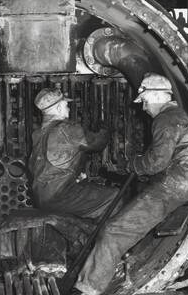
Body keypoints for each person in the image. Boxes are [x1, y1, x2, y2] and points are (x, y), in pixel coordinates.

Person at [72, 73, 188, 295]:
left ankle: (87, 291)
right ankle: (107, 274)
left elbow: (156, 162)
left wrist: (132, 164)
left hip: (170, 187)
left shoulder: (166, 119)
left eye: (145, 100)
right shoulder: (180, 116)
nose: (143, 107)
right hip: (179, 183)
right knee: (120, 225)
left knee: (113, 230)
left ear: (160, 96)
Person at [27, 87, 119, 220]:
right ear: (59, 109)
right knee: (115, 196)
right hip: (60, 195)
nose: (69, 109)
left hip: (40, 196)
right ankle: (102, 239)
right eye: (66, 105)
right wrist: (104, 129)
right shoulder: (67, 128)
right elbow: (98, 143)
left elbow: (35, 166)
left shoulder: (37, 133)